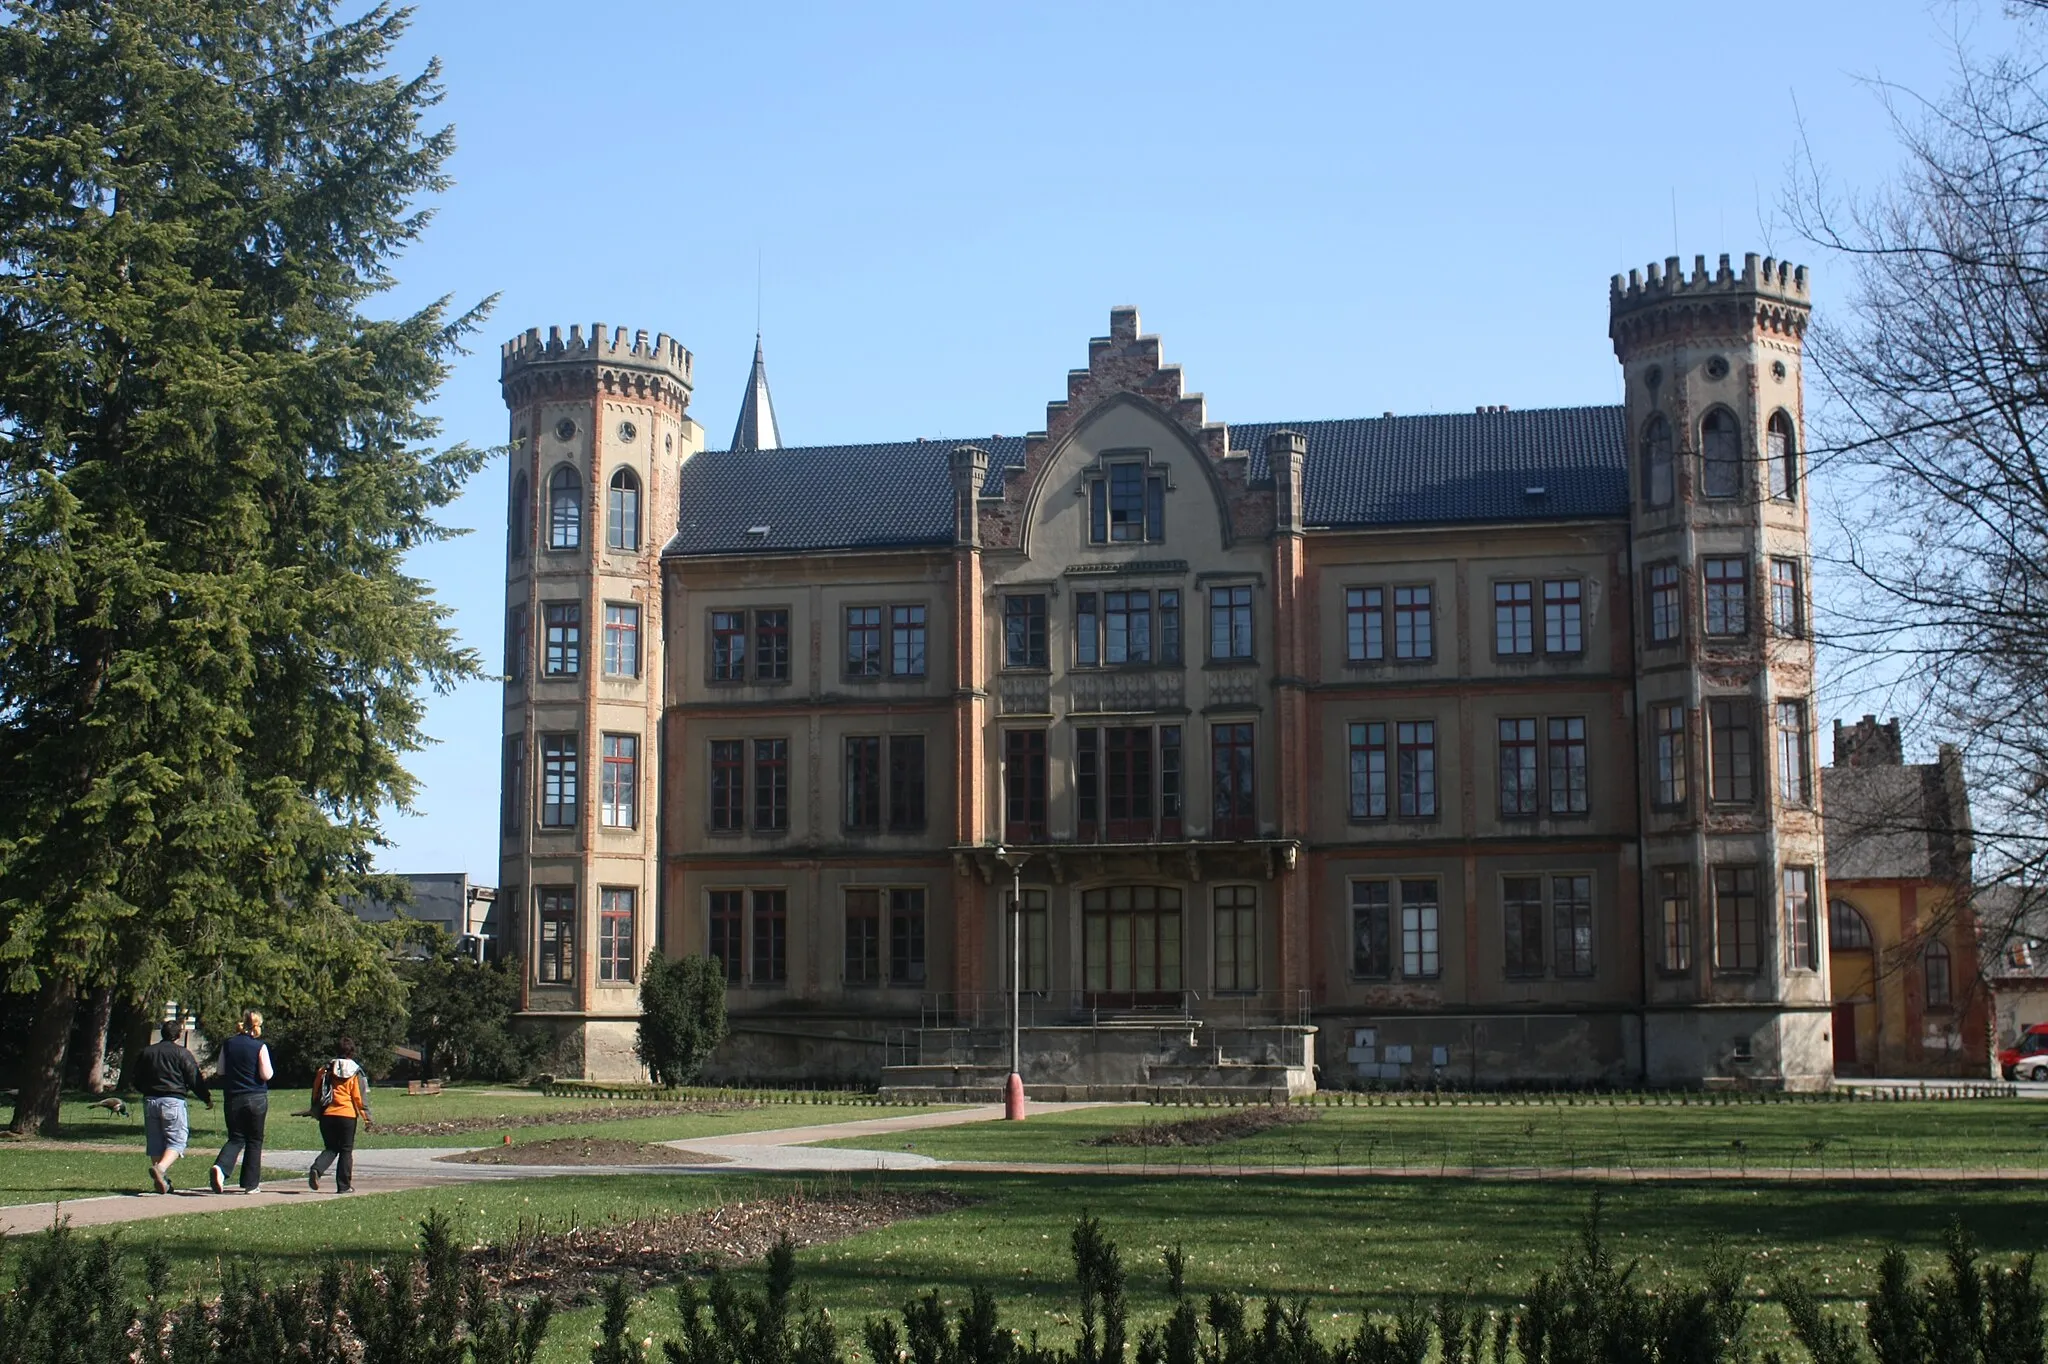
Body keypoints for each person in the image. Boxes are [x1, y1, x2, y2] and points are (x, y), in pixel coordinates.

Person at [136, 1019, 212, 1194]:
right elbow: (194, 1078)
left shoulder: (147, 1052)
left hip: (150, 1100)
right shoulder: (182, 1053)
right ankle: (161, 1169)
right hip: (173, 1100)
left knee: (155, 1141)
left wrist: (145, 1090)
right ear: (179, 1035)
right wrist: (206, 1097)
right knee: (178, 1140)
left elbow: (137, 1076)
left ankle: (164, 1180)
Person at [207, 1010, 273, 1194]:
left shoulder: (228, 1044)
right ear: (257, 1025)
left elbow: (220, 1070)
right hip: (256, 1097)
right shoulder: (259, 1046)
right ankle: (250, 1184)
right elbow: (266, 1074)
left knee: (236, 1137)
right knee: (254, 1139)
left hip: (233, 1096)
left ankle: (221, 1168)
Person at [307, 1037, 372, 1193]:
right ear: (352, 1052)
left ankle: (317, 1168)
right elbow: (359, 1097)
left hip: (327, 1114)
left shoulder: (325, 1069)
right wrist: (367, 1117)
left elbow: (316, 1091)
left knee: (331, 1147)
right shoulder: (355, 1071)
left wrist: (314, 1110)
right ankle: (344, 1186)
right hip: (347, 1115)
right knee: (345, 1150)